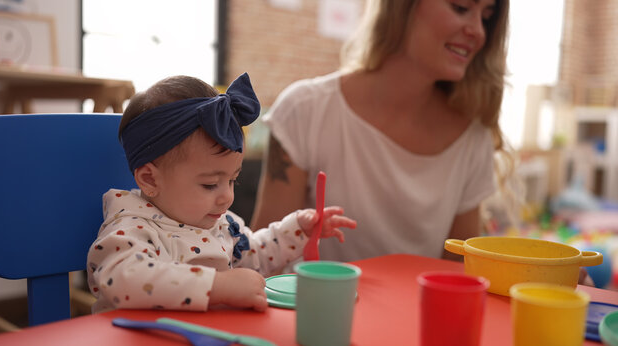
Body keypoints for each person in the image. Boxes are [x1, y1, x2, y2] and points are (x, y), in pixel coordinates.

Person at [251, 0, 511, 262]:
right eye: (461, 7)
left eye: (487, 17)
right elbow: (261, 262)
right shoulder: (304, 110)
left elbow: (457, 279)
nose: (478, 31)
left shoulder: (473, 138)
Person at [86, 73, 357, 313]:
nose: (227, 197)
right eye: (209, 184)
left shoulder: (220, 224)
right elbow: (122, 280)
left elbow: (256, 252)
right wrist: (217, 286)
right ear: (149, 179)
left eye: (233, 181)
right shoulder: (131, 229)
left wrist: (298, 230)